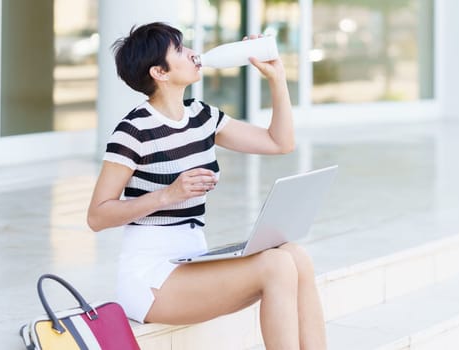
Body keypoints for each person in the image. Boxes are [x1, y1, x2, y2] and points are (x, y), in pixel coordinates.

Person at [87, 22, 326, 350]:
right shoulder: (133, 131)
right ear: (160, 72)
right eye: (180, 51)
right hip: (151, 279)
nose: (193, 54)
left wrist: (277, 79)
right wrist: (168, 194)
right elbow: (97, 217)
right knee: (276, 264)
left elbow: (279, 142)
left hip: (192, 259)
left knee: (295, 255)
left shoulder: (202, 116)